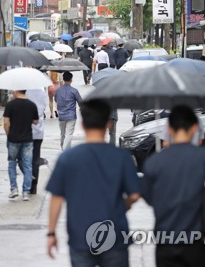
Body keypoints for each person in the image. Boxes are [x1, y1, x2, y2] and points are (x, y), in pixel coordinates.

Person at [46, 100, 140, 266]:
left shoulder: (68, 158)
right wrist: (122, 206)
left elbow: (56, 199)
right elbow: (134, 195)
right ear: (109, 123)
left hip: (80, 236)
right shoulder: (121, 157)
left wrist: (51, 233)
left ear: (83, 124)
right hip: (115, 235)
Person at [142, 105, 205, 267]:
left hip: (166, 240)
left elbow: (148, 199)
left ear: (169, 129)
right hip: (201, 242)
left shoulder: (154, 162)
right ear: (195, 128)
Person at [3, 90, 39, 201]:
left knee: (12, 163)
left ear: (17, 90)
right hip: (27, 139)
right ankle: (26, 192)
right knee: (27, 165)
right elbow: (36, 121)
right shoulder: (32, 105)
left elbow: (5, 122)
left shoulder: (10, 105)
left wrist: (8, 134)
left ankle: (14, 189)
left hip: (13, 138)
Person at [25, 89, 47, 194]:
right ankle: (34, 187)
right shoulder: (42, 92)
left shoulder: (25, 91)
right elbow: (43, 108)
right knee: (36, 159)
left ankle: (28, 182)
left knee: (25, 158)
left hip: (26, 131)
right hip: (39, 131)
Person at [54, 72, 82, 150]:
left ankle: (64, 148)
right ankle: (64, 150)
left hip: (61, 115)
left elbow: (56, 100)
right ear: (71, 80)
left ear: (63, 79)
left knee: (62, 134)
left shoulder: (58, 90)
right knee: (69, 134)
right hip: (71, 115)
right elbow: (81, 102)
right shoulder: (74, 91)